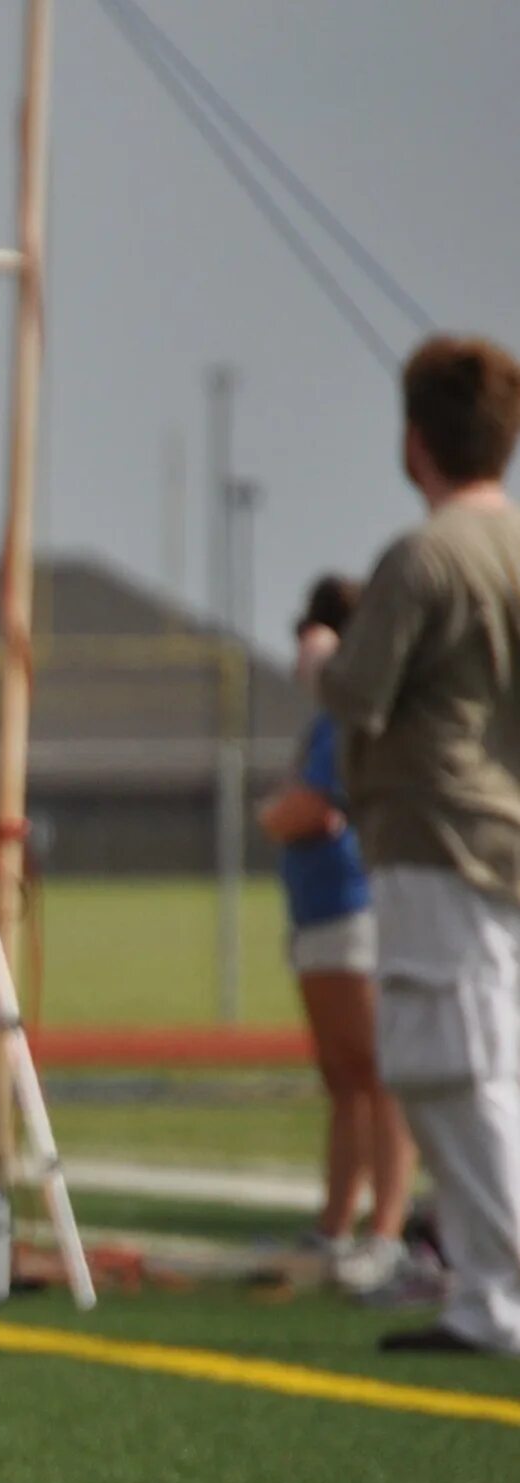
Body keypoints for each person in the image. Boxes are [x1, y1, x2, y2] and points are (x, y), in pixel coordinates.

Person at [321, 333, 520, 1358]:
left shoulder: (429, 554)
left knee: (457, 1067)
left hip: (439, 831)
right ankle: (486, 1293)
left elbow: (357, 688)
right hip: (499, 830)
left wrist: (321, 654)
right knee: (477, 1061)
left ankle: (503, 1291)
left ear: (415, 443)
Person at [260, 575, 419, 1294]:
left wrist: (273, 815)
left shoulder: (346, 715)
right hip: (319, 910)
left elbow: (317, 809)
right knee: (344, 1077)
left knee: (377, 1073)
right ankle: (335, 1221)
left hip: (353, 905)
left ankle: (385, 1230)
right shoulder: (328, 715)